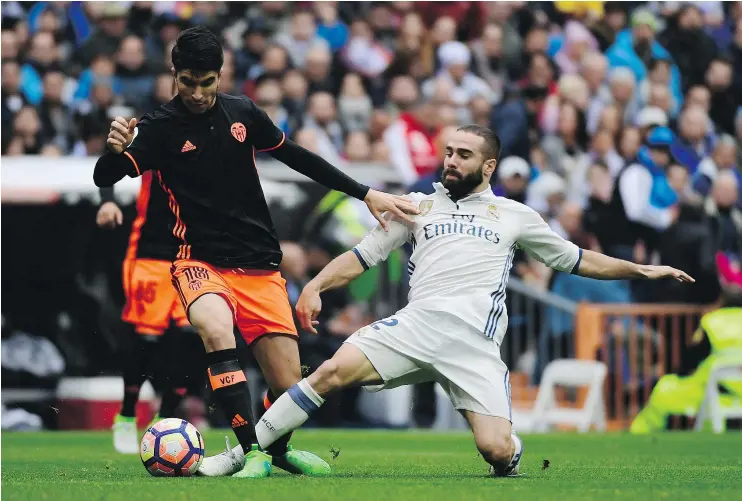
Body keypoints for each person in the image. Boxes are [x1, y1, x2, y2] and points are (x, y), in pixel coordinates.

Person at [200, 125, 694, 478]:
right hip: (415, 327)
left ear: (489, 165)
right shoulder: (418, 206)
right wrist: (314, 287)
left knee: (496, 451)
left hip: (474, 345)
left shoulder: (515, 215)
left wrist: (640, 268)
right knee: (327, 373)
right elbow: (363, 255)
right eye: (449, 152)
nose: (451, 160)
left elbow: (576, 259)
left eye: (462, 154)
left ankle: (511, 451)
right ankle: (241, 453)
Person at [93, 26, 418, 479]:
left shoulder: (242, 113)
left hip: (260, 266)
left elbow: (299, 157)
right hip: (198, 262)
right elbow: (104, 174)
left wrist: (365, 193)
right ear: (175, 73)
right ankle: (253, 452)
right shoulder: (156, 129)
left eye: (208, 82)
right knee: (214, 327)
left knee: (289, 386)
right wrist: (111, 152)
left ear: (221, 76)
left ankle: (277, 450)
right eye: (189, 81)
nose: (199, 92)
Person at [96, 180, 204, 454]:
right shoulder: (157, 138)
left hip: (194, 256)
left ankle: (164, 417)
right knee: (147, 339)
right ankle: (127, 415)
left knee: (192, 338)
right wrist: (107, 199)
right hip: (150, 253)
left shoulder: (211, 142)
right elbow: (114, 158)